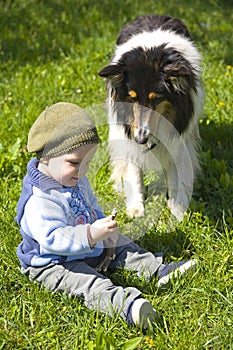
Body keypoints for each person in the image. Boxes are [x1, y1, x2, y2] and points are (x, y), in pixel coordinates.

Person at [16, 102, 196, 328]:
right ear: (46, 157)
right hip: (53, 261)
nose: (83, 171)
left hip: (89, 241)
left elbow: (90, 206)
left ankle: (156, 269)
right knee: (87, 283)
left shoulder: (73, 177)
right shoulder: (39, 200)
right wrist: (92, 234)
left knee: (123, 245)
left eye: (88, 163)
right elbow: (53, 239)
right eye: (75, 163)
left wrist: (104, 226)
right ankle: (128, 307)